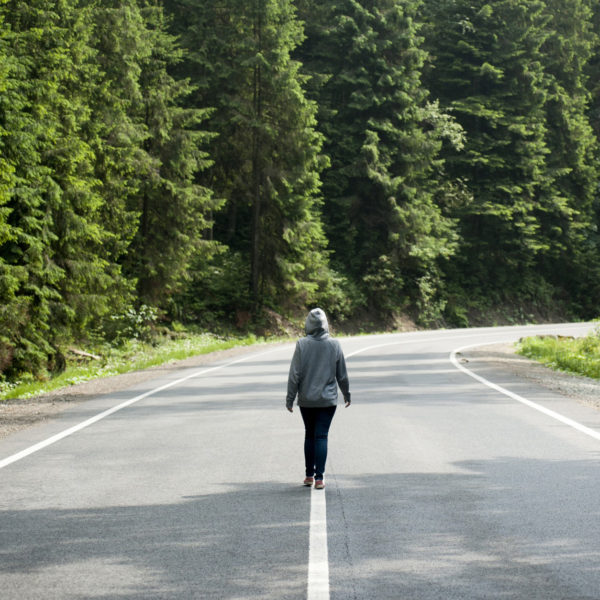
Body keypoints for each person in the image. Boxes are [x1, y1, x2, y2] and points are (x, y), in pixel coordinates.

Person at [286, 308, 351, 489]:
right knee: (321, 436)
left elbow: (294, 374)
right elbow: (342, 375)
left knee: (309, 434)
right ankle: (319, 478)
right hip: (327, 400)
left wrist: (290, 398)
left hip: (307, 399)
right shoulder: (335, 345)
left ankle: (308, 475)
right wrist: (346, 393)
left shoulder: (302, 344)